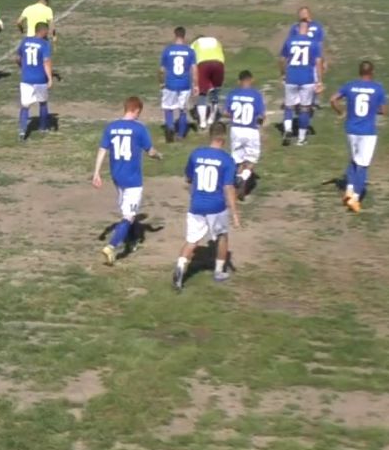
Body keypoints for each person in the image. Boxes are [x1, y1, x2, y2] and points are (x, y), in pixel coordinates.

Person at [92, 96, 162, 266]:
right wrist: (158, 155)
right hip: (133, 179)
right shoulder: (139, 129)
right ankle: (111, 246)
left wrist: (96, 173)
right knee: (130, 216)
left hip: (117, 176)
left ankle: (130, 240)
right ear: (136, 110)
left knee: (126, 213)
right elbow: (150, 151)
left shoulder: (111, 127)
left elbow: (102, 150)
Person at [173, 122, 241, 290]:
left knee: (192, 241)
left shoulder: (196, 154)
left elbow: (188, 178)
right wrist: (234, 213)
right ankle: (218, 271)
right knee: (222, 236)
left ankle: (180, 267)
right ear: (223, 138)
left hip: (196, 204)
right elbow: (228, 187)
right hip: (216, 206)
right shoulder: (227, 160)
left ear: (209, 135)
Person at [330, 60, 388, 213]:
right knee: (363, 165)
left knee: (354, 160)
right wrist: (373, 110)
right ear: (372, 72)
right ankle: (355, 198)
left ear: (359, 71)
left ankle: (349, 190)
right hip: (367, 131)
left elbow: (333, 99)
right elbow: (384, 110)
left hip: (351, 129)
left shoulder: (350, 86)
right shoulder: (378, 88)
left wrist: (341, 112)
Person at [279, 21, 325, 147]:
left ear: (298, 29)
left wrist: (283, 73)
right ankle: (301, 138)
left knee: (289, 106)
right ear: (308, 30)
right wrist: (320, 80)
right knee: (305, 108)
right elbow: (318, 62)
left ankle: (288, 129)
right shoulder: (314, 43)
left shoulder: (289, 41)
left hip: (291, 77)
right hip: (307, 78)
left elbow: (282, 59)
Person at [224, 70, 265, 200]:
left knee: (237, 158)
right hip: (250, 129)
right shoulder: (256, 95)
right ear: (251, 80)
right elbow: (262, 115)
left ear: (239, 81)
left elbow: (226, 112)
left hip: (236, 128)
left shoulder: (232, 94)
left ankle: (236, 180)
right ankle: (244, 177)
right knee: (251, 159)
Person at [15, 21, 53, 141]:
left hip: (26, 79)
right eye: (47, 31)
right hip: (40, 79)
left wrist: (23, 67)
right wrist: (50, 78)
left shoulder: (25, 41)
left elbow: (17, 58)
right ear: (42, 31)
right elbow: (46, 62)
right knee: (42, 102)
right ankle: (42, 127)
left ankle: (22, 131)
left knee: (25, 106)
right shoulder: (45, 44)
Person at [159, 27, 196, 143]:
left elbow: (161, 70)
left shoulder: (168, 50)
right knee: (183, 109)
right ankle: (181, 134)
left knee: (168, 107)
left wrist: (161, 82)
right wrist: (196, 84)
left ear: (175, 35)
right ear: (184, 36)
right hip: (185, 84)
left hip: (170, 83)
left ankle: (170, 127)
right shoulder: (190, 51)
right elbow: (194, 69)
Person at [190, 34, 226, 130]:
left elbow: (191, 61)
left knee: (202, 93)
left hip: (203, 63)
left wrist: (194, 81)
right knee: (215, 91)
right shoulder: (215, 40)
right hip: (219, 62)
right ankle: (212, 118)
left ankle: (202, 122)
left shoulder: (194, 43)